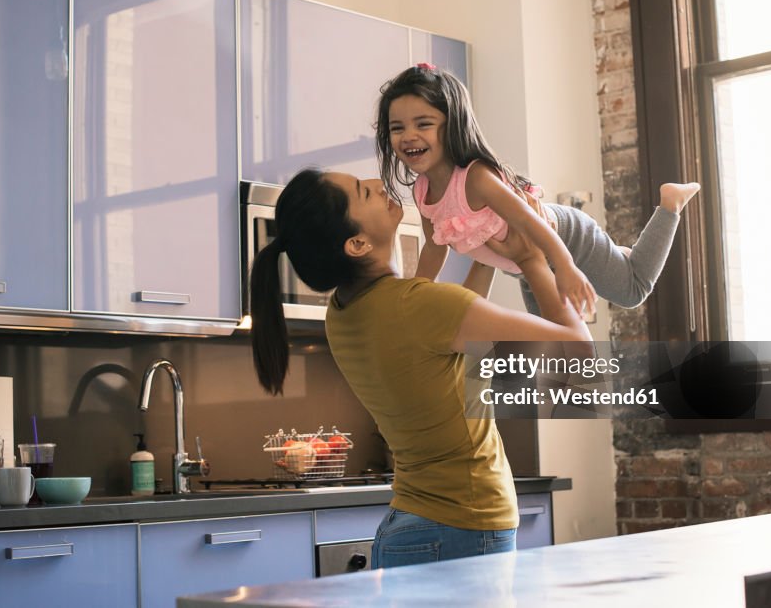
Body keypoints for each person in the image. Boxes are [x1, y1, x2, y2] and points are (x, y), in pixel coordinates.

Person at [249, 167, 591, 569]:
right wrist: (533, 259)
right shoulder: (419, 305)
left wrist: (485, 251)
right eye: (365, 192)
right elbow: (578, 349)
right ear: (357, 243)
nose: (379, 185)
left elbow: (449, 334)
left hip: (412, 526)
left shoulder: (342, 314)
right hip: (464, 524)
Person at [375, 63, 701, 319]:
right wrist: (416, 289)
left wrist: (569, 267)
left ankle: (670, 204)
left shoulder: (476, 179)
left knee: (632, 292)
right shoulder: (422, 190)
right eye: (397, 128)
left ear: (452, 124)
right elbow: (434, 247)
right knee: (549, 335)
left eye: (423, 124)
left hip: (567, 238)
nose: (408, 136)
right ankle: (618, 255)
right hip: (525, 265)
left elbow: (532, 223)